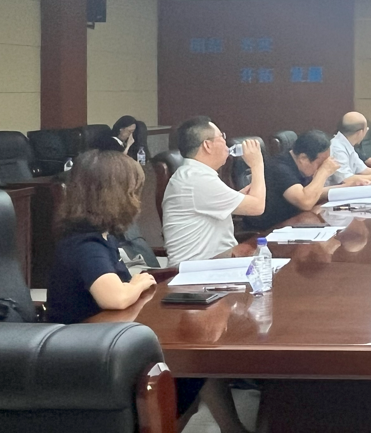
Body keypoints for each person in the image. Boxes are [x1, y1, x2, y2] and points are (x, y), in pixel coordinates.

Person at [45, 150, 249, 432]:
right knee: (188, 371)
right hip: (85, 357)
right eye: (132, 191)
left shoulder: (100, 237)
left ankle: (233, 428)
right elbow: (115, 297)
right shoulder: (85, 244)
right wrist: (138, 282)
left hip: (107, 341)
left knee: (200, 361)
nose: (136, 199)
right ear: (112, 196)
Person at [162, 116, 267, 266]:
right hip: (197, 271)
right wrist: (257, 164)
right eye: (222, 137)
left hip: (215, 263)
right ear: (207, 145)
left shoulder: (194, 174)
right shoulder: (197, 179)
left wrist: (238, 198)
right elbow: (257, 207)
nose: (226, 142)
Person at [245, 130, 357, 230]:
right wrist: (323, 172)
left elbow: (310, 192)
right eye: (320, 164)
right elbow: (305, 202)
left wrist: (345, 187)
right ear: (303, 158)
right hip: (268, 230)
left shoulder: (298, 163)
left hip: (294, 221)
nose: (321, 167)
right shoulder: (279, 168)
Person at [329, 112, 371, 185]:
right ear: (360, 132)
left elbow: (363, 170)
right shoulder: (336, 148)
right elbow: (346, 179)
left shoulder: (347, 144)